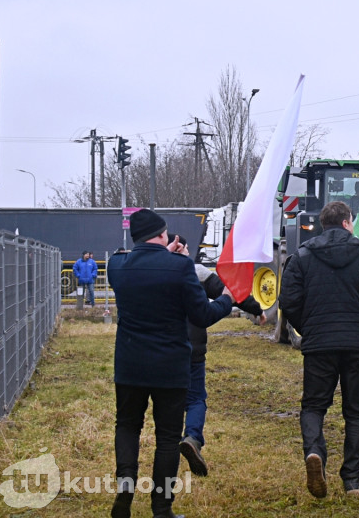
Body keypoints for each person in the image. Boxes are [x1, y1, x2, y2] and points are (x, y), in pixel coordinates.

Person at [107, 209, 234, 518]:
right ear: (163, 235)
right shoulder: (179, 267)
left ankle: (125, 488)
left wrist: (166, 255)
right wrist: (226, 300)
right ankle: (161, 508)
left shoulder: (117, 266)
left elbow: (146, 265)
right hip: (170, 367)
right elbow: (201, 315)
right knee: (166, 437)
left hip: (130, 364)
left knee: (127, 426)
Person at [278, 201, 359, 498]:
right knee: (355, 411)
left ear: (323, 225)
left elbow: (289, 300)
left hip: (319, 344)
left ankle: (314, 453)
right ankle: (352, 480)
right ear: (347, 222)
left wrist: (309, 328)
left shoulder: (303, 256)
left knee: (314, 406)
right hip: (357, 345)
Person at [167, 234, 266, 479]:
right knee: (196, 398)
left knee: (167, 401)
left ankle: (167, 448)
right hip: (193, 347)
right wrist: (256, 309)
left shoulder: (153, 271)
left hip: (162, 349)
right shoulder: (196, 270)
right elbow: (229, 291)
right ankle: (192, 437)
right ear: (181, 247)